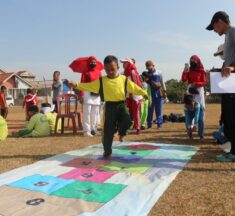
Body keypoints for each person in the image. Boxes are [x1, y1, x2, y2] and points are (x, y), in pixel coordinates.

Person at [69, 55, 148, 159]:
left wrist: (143, 92)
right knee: (108, 132)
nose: (110, 72)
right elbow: (89, 86)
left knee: (128, 121)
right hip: (109, 107)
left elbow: (134, 87)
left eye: (113, 69)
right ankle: (107, 151)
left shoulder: (123, 79)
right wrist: (76, 85)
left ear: (118, 68)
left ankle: (122, 132)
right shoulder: (101, 81)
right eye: (107, 70)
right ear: (104, 69)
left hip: (121, 105)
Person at [206, 11, 235, 162]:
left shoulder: (234, 32)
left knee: (232, 119)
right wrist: (219, 70)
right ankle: (230, 151)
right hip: (229, 87)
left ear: (219, 21)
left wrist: (232, 68)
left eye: (214, 27)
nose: (215, 30)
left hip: (233, 87)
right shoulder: (228, 36)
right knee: (227, 119)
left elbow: (232, 66)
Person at [80, 56, 102, 137]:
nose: (93, 63)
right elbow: (81, 84)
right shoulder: (84, 72)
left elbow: (101, 83)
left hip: (96, 94)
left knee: (95, 113)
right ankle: (86, 131)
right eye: (91, 62)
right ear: (88, 62)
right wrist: (81, 95)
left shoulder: (99, 71)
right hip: (87, 94)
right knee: (87, 113)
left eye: (94, 62)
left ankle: (94, 129)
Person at [121, 58, 142, 134]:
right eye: (123, 63)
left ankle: (138, 128)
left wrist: (133, 94)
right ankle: (128, 126)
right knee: (128, 111)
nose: (123, 64)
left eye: (125, 63)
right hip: (127, 95)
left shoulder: (133, 72)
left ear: (129, 63)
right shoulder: (125, 73)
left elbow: (136, 84)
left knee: (136, 112)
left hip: (135, 95)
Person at [145, 60, 167, 129]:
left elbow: (162, 82)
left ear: (153, 65)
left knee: (159, 110)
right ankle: (149, 124)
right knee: (150, 110)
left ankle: (159, 124)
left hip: (159, 93)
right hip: (150, 93)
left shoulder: (159, 72)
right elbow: (146, 85)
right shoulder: (146, 74)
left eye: (150, 66)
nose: (149, 68)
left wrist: (165, 91)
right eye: (147, 67)